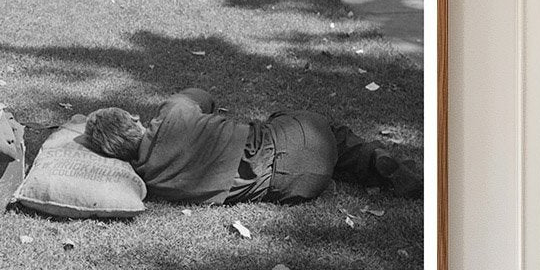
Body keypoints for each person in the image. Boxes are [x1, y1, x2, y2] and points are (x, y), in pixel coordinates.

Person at [83, 88, 421, 205]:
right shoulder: (172, 114)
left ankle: (339, 168)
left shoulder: (149, 183)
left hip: (292, 188)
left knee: (329, 152)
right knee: (324, 132)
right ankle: (380, 164)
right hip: (298, 138)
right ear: (134, 118)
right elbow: (202, 96)